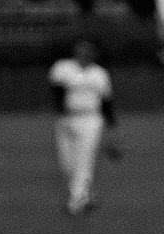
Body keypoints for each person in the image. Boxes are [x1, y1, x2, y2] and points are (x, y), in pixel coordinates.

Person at [49, 38, 115, 216]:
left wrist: (112, 128)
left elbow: (107, 102)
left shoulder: (99, 73)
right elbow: (56, 91)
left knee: (84, 161)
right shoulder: (62, 67)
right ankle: (85, 194)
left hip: (91, 119)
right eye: (82, 50)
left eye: (88, 51)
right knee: (67, 164)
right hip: (66, 118)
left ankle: (76, 203)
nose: (85, 54)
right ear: (76, 52)